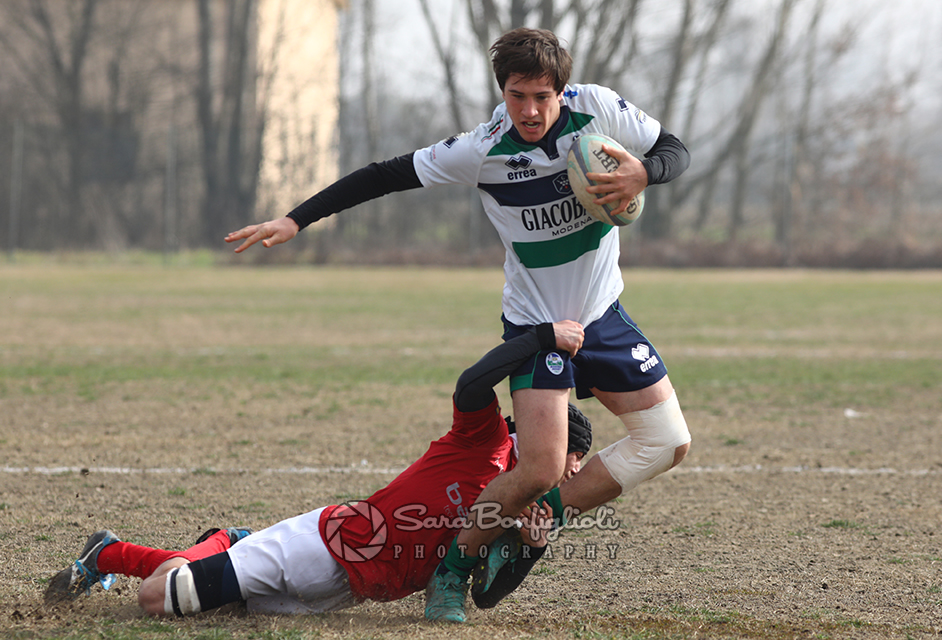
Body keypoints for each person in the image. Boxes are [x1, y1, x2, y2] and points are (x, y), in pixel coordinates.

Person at [225, 27, 692, 623]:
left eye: (542, 97)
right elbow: (384, 174)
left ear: (563, 92)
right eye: (517, 95)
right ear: (502, 91)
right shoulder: (483, 148)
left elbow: (675, 148)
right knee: (540, 466)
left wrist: (642, 174)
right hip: (536, 325)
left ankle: (534, 522)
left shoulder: (597, 109)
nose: (529, 109)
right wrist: (297, 219)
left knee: (667, 443)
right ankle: (453, 567)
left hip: (603, 314)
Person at [44, 320, 591, 617]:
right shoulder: (485, 441)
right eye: (567, 456)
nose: (568, 474)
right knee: (159, 599)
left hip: (346, 594)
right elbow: (470, 385)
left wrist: (533, 550)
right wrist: (538, 339)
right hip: (327, 545)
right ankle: (126, 551)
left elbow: (485, 597)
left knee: (199, 592)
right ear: (542, 433)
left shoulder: (530, 510)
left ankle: (220, 544)